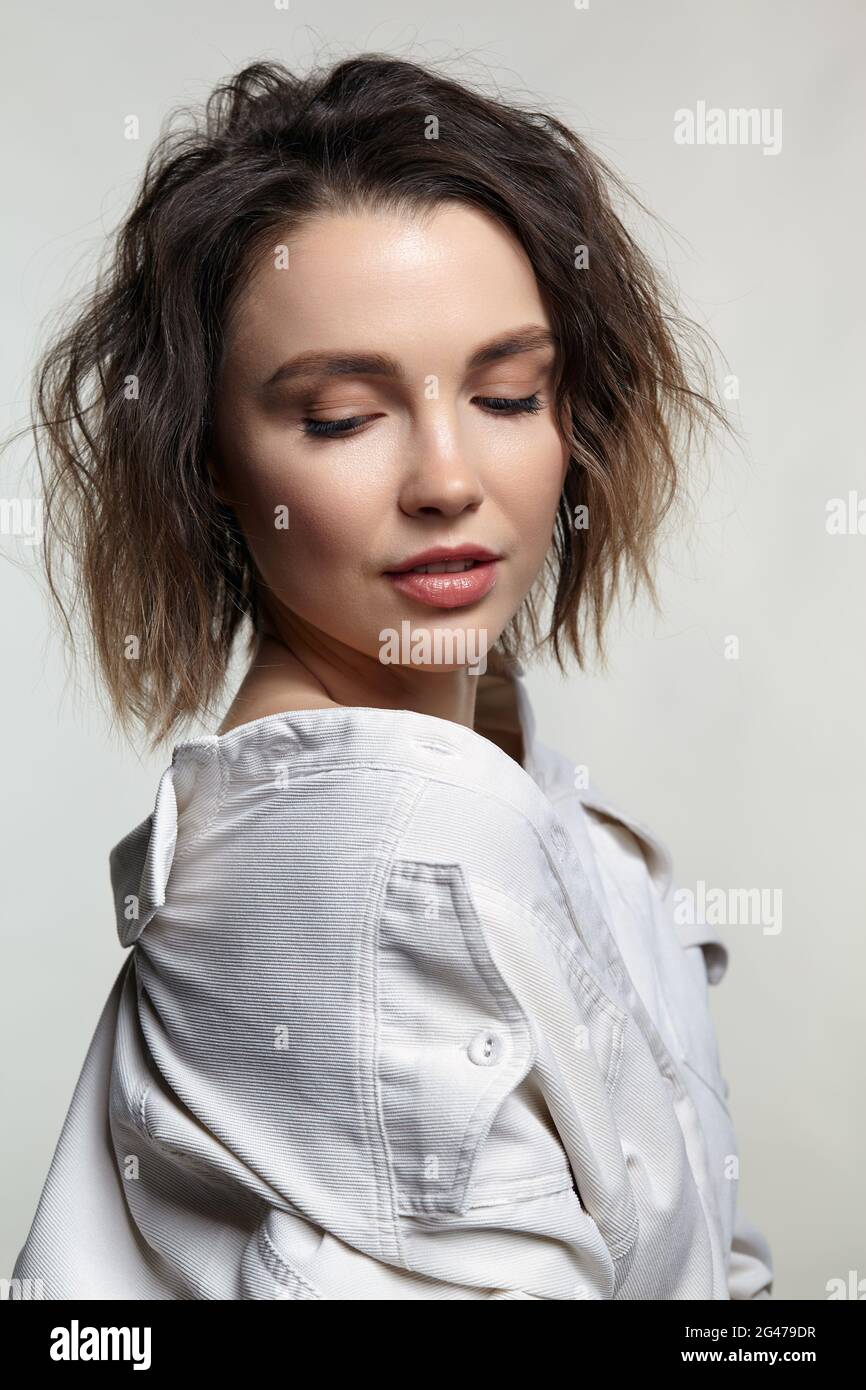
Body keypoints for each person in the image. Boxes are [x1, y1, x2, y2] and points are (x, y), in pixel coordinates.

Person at [9, 53, 773, 1299]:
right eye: (339, 417)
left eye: (506, 392)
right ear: (205, 457)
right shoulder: (387, 866)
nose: (446, 478)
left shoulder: (484, 780)